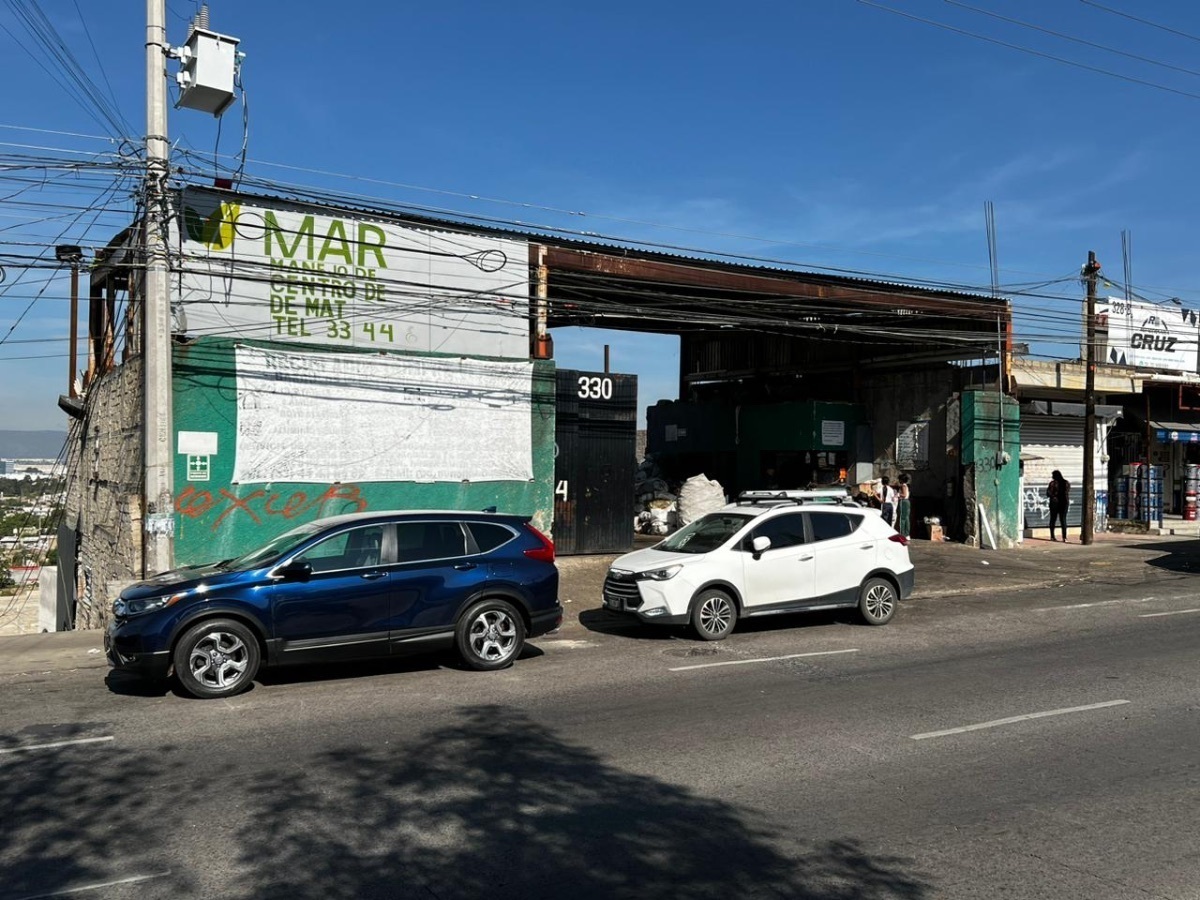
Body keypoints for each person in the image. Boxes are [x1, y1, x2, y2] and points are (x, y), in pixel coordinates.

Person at [1047, 469, 1070, 542]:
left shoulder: (1052, 483)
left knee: (1053, 519)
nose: (1052, 476)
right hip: (1064, 503)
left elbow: (1048, 493)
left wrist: (1053, 495)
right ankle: (1064, 537)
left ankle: (1052, 536)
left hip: (1054, 503)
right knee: (1063, 520)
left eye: (1053, 475)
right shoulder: (1066, 483)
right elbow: (1067, 491)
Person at [896, 473, 912, 538]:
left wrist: (898, 494)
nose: (899, 481)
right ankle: (907, 533)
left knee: (902, 518)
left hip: (903, 502)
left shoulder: (903, 486)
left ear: (901, 480)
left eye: (899, 479)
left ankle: (902, 533)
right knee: (906, 518)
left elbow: (904, 495)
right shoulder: (906, 485)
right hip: (907, 502)